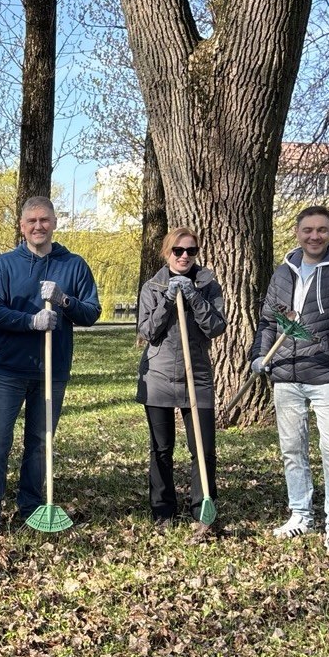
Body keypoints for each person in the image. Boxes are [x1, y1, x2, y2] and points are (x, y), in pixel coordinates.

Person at [249, 205, 329, 561]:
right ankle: (300, 514)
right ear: (297, 232)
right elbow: (269, 322)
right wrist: (260, 355)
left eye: (322, 229)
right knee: (292, 449)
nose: (315, 236)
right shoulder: (283, 272)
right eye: (308, 230)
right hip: (286, 374)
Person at [0, 196, 100, 533]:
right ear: (22, 226)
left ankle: (31, 508)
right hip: (9, 370)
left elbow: (91, 312)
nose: (38, 226)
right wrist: (30, 321)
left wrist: (64, 300)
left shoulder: (73, 265)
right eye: (32, 221)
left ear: (54, 222)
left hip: (52, 371)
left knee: (40, 444)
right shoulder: (5, 265)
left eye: (44, 220)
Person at [135, 227, 225, 537]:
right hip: (158, 375)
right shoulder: (153, 286)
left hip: (196, 375)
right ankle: (163, 510)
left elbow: (216, 327)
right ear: (167, 252)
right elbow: (147, 331)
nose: (184, 256)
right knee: (161, 448)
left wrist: (193, 297)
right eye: (178, 250)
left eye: (191, 250)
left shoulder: (208, 285)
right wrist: (169, 299)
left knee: (203, 448)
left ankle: (203, 509)